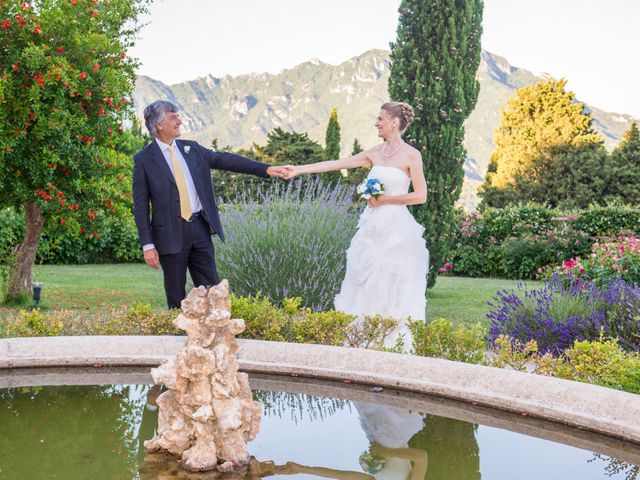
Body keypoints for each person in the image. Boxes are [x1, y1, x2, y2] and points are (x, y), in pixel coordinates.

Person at [282, 102, 429, 350]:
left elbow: (420, 195)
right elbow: (338, 163)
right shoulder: (375, 152)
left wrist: (386, 201)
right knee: (363, 281)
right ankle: (361, 342)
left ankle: (393, 343)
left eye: (381, 118)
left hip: (396, 231)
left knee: (391, 284)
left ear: (394, 122)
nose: (376, 122)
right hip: (370, 228)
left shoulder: (412, 155)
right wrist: (298, 170)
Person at [133, 100, 286, 309]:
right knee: (176, 296)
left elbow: (225, 160)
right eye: (173, 117)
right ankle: (180, 338)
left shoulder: (192, 149)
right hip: (169, 234)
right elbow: (141, 206)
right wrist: (148, 245)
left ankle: (218, 335)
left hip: (199, 229)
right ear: (158, 125)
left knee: (212, 291)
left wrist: (265, 169)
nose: (179, 121)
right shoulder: (143, 160)